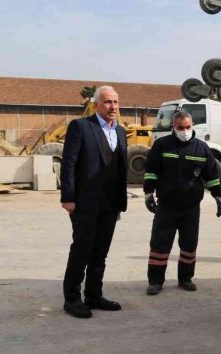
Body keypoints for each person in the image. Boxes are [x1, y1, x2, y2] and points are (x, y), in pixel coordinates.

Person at [60, 85, 128, 319]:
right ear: (97, 104)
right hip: (85, 203)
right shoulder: (81, 127)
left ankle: (94, 295)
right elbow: (68, 163)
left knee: (100, 252)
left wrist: (120, 201)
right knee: (82, 249)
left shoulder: (119, 132)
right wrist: (68, 197)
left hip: (110, 204)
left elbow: (120, 168)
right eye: (108, 102)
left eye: (116, 102)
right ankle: (72, 298)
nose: (113, 107)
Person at [143, 110, 221, 295]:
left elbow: (211, 175)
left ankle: (185, 278)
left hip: (191, 207)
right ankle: (155, 281)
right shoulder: (161, 145)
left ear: (192, 126)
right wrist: (148, 193)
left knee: (189, 244)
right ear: (174, 126)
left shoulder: (202, 148)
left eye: (187, 127)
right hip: (166, 205)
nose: (184, 130)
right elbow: (151, 171)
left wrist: (218, 197)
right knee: (159, 244)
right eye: (180, 127)